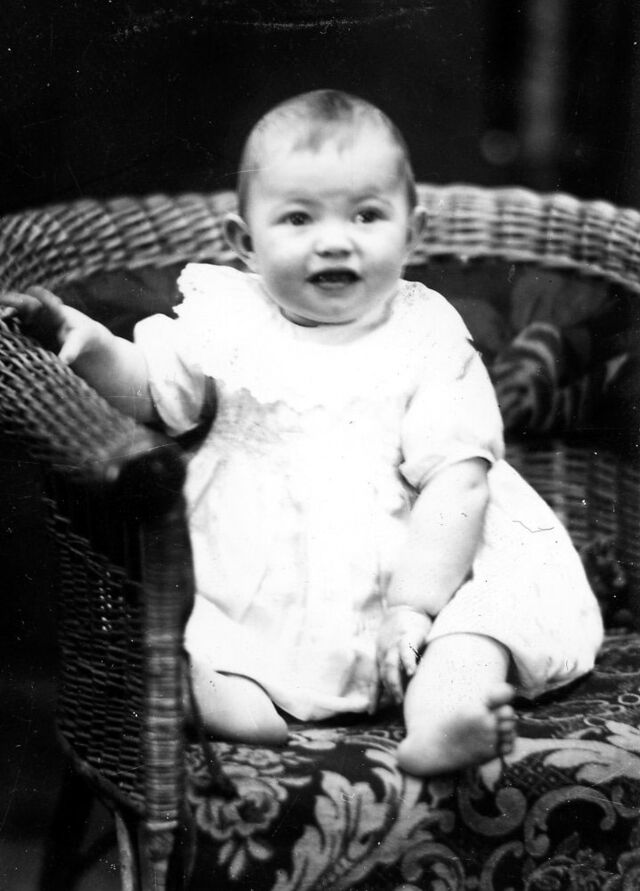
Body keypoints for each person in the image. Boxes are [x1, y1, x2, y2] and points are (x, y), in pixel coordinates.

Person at [1, 90, 604, 777]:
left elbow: (457, 480)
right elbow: (153, 390)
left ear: (412, 233)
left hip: (428, 568)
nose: (335, 240)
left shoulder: (426, 330)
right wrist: (92, 347)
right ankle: (226, 699)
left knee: (476, 632)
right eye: (297, 218)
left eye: (367, 215)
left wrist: (414, 607)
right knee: (198, 640)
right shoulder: (227, 317)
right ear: (245, 243)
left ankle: (445, 716)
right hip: (264, 581)